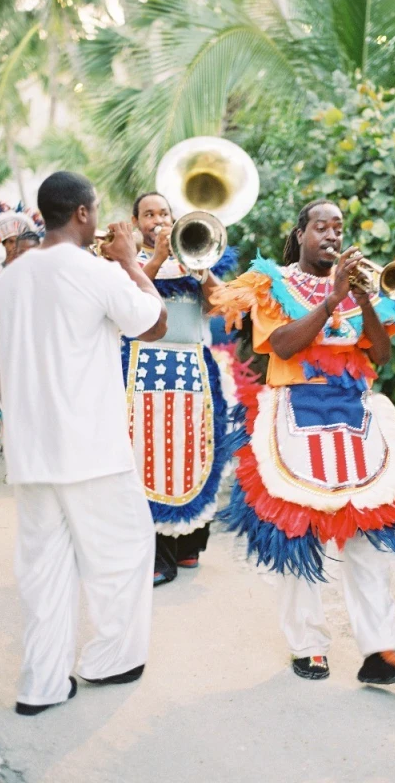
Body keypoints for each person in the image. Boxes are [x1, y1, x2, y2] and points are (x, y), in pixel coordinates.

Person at [211, 199, 395, 684]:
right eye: (320, 226)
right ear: (300, 234)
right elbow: (281, 346)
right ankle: (308, 645)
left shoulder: (365, 287)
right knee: (300, 531)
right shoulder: (271, 282)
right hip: (294, 411)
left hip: (353, 415)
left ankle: (380, 650)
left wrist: (361, 298)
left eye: (338, 227)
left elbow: (379, 354)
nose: (331, 235)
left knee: (369, 531)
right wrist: (329, 298)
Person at [0, 171, 167, 716]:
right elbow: (153, 324)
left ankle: (41, 685)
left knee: (43, 571)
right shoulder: (94, 270)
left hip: (31, 455)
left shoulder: (9, 280)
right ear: (83, 214)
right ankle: (110, 660)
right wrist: (132, 261)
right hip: (92, 450)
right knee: (125, 553)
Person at [123, 191, 237, 586]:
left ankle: (189, 544)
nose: (157, 219)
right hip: (141, 371)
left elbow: (220, 304)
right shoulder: (128, 263)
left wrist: (201, 269)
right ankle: (156, 555)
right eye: (148, 214)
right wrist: (156, 255)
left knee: (194, 450)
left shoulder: (196, 254)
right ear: (136, 222)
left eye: (164, 213)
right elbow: (130, 298)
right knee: (147, 457)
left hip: (193, 372)